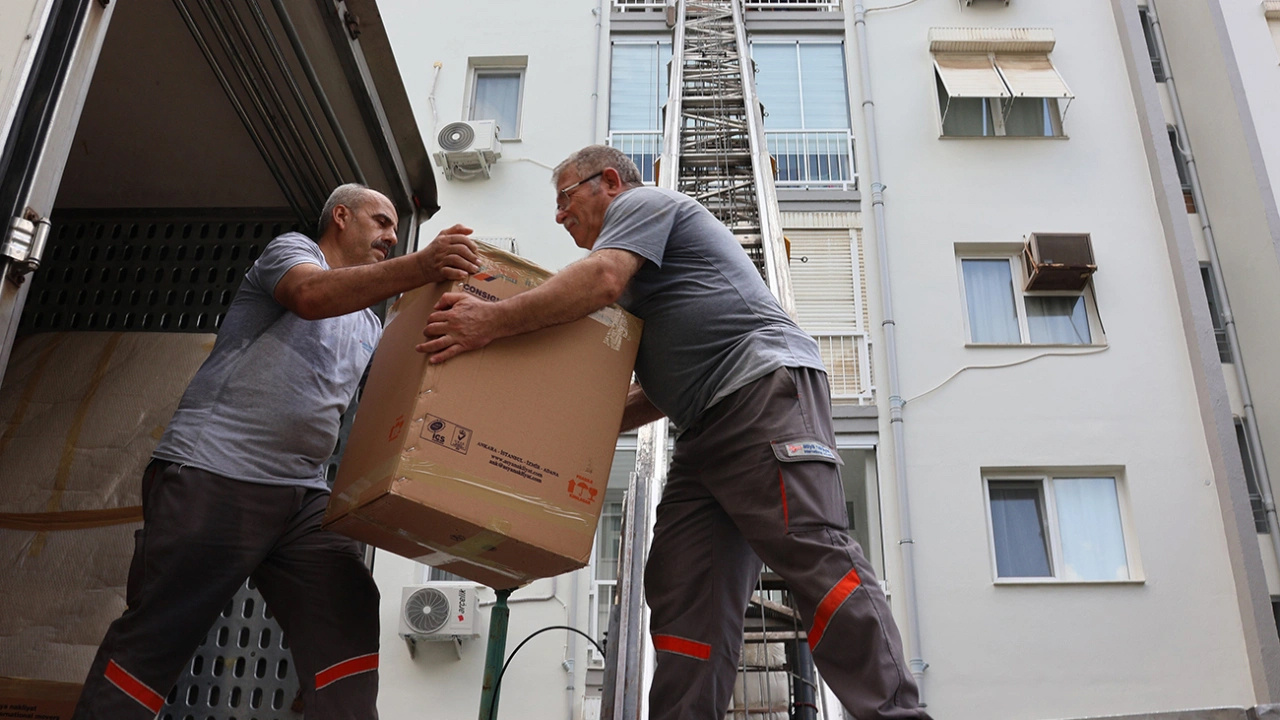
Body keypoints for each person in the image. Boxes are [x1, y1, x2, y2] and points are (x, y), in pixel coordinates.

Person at [419, 145, 931, 720]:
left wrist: (489, 320)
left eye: (564, 199)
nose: (559, 216)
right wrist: (532, 429)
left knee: (811, 551)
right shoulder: (647, 286)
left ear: (608, 182)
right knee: (683, 585)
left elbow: (601, 280)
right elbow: (655, 396)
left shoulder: (641, 206)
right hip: (704, 427)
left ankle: (895, 714)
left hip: (761, 391)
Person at [72, 184, 479, 720]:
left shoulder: (368, 323)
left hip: (304, 495)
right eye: (380, 222)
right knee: (158, 634)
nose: (390, 237)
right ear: (340, 217)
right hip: (216, 472)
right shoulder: (292, 253)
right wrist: (423, 266)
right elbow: (311, 298)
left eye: (396, 233)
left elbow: (389, 409)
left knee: (347, 607)